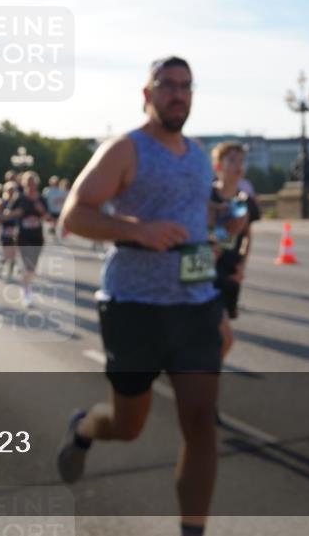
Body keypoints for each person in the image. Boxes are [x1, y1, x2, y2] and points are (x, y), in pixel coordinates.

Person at [56, 56, 246, 536]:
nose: (178, 94)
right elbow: (74, 216)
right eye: (168, 85)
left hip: (195, 306)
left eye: (186, 86)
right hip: (134, 307)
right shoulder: (125, 149)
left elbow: (196, 219)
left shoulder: (198, 155)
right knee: (127, 426)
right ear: (148, 94)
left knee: (200, 424)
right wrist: (137, 229)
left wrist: (220, 239)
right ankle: (84, 428)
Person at [210, 141, 261, 358]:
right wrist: (224, 235)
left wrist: (241, 265)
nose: (238, 165)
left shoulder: (244, 201)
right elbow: (202, 233)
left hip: (229, 272)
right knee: (224, 338)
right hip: (205, 272)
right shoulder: (205, 197)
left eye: (241, 160)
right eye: (232, 160)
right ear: (218, 166)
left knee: (215, 337)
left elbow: (246, 236)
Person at [5, 171, 49, 307]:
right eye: (28, 183)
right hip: (23, 236)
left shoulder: (41, 199)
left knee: (32, 268)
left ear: (37, 183)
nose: (30, 185)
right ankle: (27, 293)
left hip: (37, 236)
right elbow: (7, 214)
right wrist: (16, 213)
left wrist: (41, 210)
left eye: (32, 182)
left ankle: (26, 282)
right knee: (27, 266)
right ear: (24, 184)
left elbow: (48, 218)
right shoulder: (19, 198)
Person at [0, 181, 20, 278]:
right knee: (7, 252)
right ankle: (1, 268)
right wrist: (1, 215)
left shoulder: (18, 203)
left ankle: (10, 272)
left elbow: (21, 214)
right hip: (5, 229)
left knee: (14, 253)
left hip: (16, 229)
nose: (11, 192)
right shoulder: (2, 203)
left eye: (13, 190)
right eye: (9, 190)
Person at [43, 176, 68, 241]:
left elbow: (65, 200)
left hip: (59, 211)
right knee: (54, 223)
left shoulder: (62, 191)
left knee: (57, 223)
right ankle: (54, 233)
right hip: (51, 210)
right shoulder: (48, 191)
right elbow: (45, 201)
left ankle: (56, 233)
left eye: (56, 182)